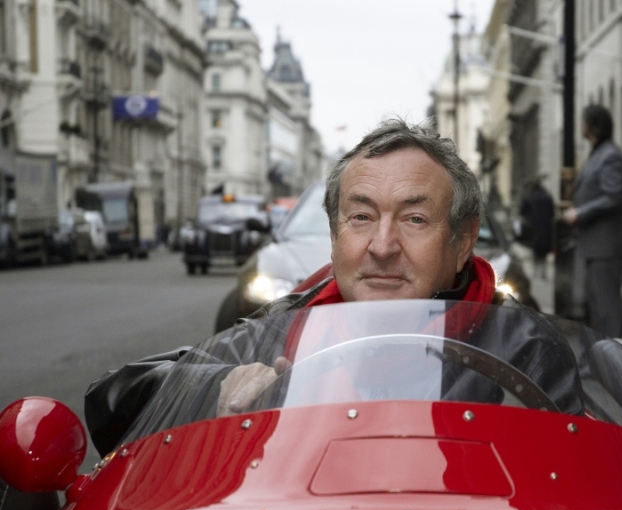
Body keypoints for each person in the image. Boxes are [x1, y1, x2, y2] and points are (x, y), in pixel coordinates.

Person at [85, 118, 584, 456]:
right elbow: (110, 405)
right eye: (361, 217)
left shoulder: (526, 348)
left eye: (414, 219)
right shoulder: (282, 326)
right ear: (334, 235)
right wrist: (214, 388)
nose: (382, 245)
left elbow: (570, 484)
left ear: (461, 241)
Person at [562, 105, 622, 338]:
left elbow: (614, 196)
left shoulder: (610, 156)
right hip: (595, 246)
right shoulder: (598, 153)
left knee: (607, 310)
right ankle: (603, 360)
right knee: (597, 309)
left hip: (605, 247)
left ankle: (616, 363)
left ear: (593, 126)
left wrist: (580, 213)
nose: (581, 126)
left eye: (584, 122)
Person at [520, 182, 555, 280]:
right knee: (544, 251)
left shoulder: (529, 197)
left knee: (535, 250)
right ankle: (543, 273)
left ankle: (535, 273)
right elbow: (552, 213)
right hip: (546, 228)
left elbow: (522, 211)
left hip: (533, 228)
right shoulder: (548, 197)